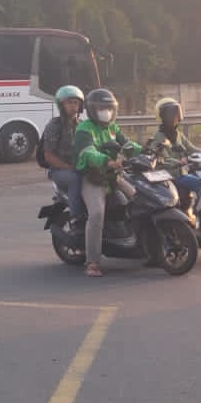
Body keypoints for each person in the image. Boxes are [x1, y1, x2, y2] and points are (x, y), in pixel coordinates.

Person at [72, 87, 130, 278]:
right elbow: (88, 152)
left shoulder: (113, 128)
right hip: (93, 178)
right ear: (91, 110)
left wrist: (146, 150)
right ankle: (92, 262)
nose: (106, 112)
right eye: (101, 108)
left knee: (140, 195)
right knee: (97, 214)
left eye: (109, 108)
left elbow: (128, 144)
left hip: (114, 176)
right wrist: (106, 161)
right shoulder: (84, 128)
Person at [146, 97, 201, 206]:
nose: (174, 118)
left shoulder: (178, 134)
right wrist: (179, 162)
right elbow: (164, 159)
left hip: (182, 173)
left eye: (176, 114)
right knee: (199, 183)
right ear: (162, 117)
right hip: (170, 175)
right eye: (171, 115)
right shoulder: (158, 137)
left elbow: (192, 149)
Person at [41, 85, 88, 223]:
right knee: (75, 179)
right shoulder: (55, 125)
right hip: (59, 170)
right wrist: (69, 168)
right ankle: (76, 218)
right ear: (61, 105)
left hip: (80, 167)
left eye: (76, 103)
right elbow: (48, 156)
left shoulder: (82, 125)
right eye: (69, 102)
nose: (73, 106)